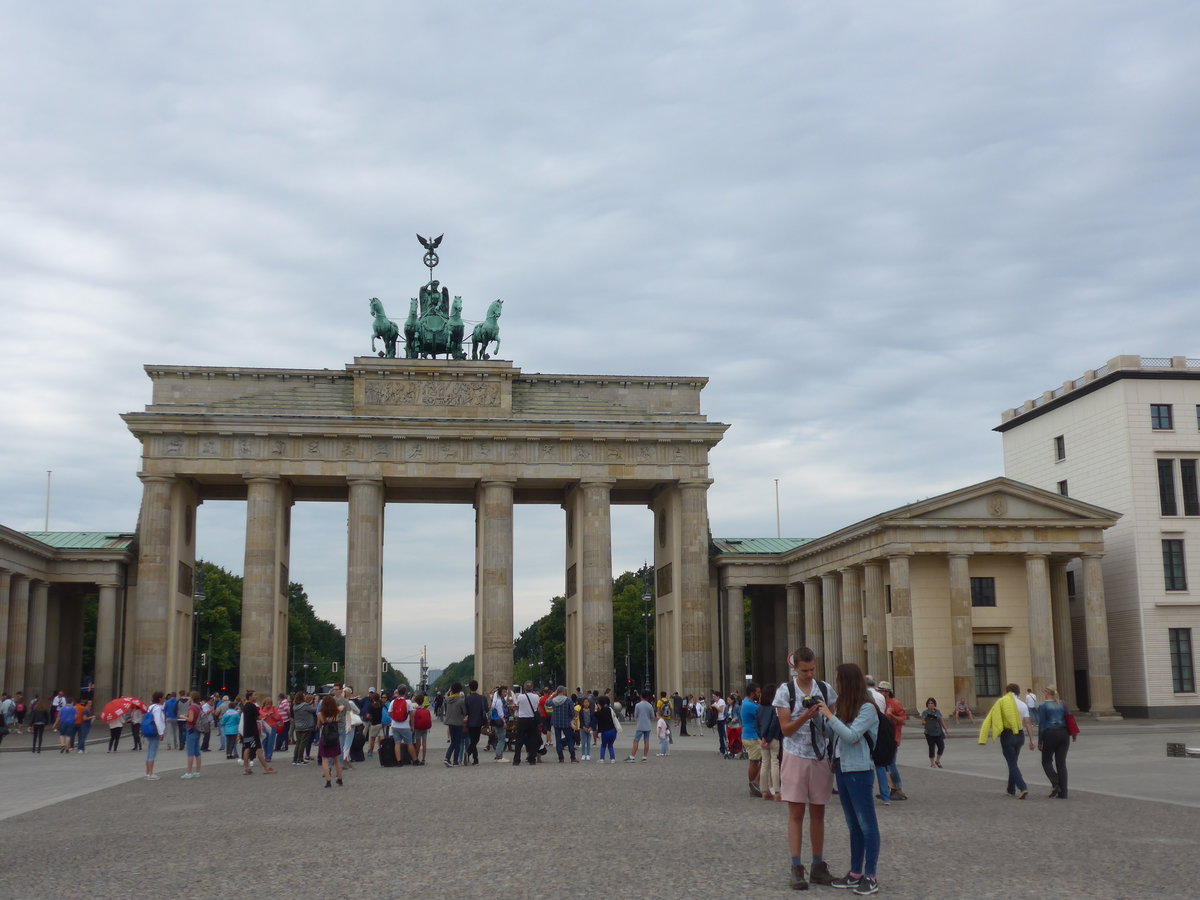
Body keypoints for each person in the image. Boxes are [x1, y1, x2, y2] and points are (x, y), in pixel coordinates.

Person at [816, 663, 882, 896]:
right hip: (843, 769)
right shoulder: (845, 708)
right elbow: (830, 734)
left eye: (839, 681)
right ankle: (855, 873)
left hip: (860, 770)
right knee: (853, 824)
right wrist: (819, 718)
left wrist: (830, 716)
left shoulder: (867, 709)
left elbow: (852, 736)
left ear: (848, 682)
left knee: (867, 824)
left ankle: (870, 875)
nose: (837, 685)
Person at [774, 647, 837, 890]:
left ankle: (818, 865)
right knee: (796, 813)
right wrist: (806, 715)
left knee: (819, 812)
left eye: (812, 669)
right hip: (795, 754)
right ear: (795, 668)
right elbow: (786, 729)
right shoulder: (786, 691)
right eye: (804, 670)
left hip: (820, 755)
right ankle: (796, 866)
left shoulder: (825, 689)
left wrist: (824, 715)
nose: (809, 674)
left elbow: (834, 720)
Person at [979, 682, 1034, 799]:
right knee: (1013, 762)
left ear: (1007, 691)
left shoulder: (1002, 702)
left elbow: (991, 717)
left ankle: (1022, 787)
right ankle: (1010, 789)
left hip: (1008, 735)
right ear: (1018, 692)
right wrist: (1032, 740)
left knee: (1012, 763)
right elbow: (1028, 723)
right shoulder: (1023, 705)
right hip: (1020, 735)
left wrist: (984, 734)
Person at [1036, 685, 1076, 799]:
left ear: (1047, 693)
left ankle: (1056, 782)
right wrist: (1073, 733)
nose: (1044, 694)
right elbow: (1070, 719)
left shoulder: (1043, 707)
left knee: (1046, 761)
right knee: (1061, 763)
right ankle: (1064, 793)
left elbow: (1042, 725)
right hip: (1064, 734)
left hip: (1050, 734)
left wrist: (1040, 741)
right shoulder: (1063, 704)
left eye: (1044, 692)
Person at [877, 681, 907, 801]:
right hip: (885, 737)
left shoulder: (895, 703)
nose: (879, 693)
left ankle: (898, 789)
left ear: (887, 692)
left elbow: (903, 720)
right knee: (885, 765)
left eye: (880, 691)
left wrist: (892, 716)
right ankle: (890, 789)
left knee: (891, 764)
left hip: (893, 738)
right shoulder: (881, 703)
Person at [239, 689, 276, 775]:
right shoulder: (252, 706)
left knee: (247, 748)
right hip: (253, 731)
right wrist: (266, 716)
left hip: (247, 730)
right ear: (250, 697)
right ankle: (266, 768)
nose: (256, 696)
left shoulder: (245, 706)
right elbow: (259, 717)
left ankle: (246, 768)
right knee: (259, 749)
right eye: (255, 695)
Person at [757, 684, 782, 801]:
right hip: (773, 739)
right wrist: (769, 738)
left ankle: (764, 791)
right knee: (775, 763)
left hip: (762, 740)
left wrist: (761, 737)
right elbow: (773, 724)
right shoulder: (774, 709)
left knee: (764, 764)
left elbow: (756, 725)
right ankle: (777, 791)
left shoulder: (759, 708)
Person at [511, 681, 542, 766]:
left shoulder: (520, 697)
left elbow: (516, 706)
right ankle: (532, 759)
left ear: (524, 688)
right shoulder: (536, 697)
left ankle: (517, 759)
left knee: (519, 741)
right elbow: (538, 708)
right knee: (533, 740)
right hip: (532, 720)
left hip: (522, 719)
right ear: (532, 688)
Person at [316, 695, 344, 787]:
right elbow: (342, 706)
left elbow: (319, 726)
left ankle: (328, 781)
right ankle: (339, 779)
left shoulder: (320, 714)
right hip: (334, 737)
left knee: (325, 759)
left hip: (325, 738)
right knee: (336, 759)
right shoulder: (336, 712)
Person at [388, 686, 419, 766]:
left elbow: (389, 713)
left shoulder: (393, 702)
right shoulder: (408, 702)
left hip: (395, 725)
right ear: (405, 692)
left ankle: (399, 761)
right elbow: (412, 715)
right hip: (405, 726)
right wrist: (412, 726)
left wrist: (395, 718)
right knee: (409, 743)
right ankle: (415, 760)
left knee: (397, 743)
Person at [548, 685, 579, 763]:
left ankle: (561, 758)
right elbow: (572, 711)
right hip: (566, 722)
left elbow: (547, 702)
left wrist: (553, 695)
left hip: (556, 722)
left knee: (558, 740)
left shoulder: (554, 700)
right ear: (563, 691)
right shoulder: (568, 700)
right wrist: (571, 719)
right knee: (569, 740)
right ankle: (572, 757)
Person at [741, 682, 762, 796]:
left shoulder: (746, 703)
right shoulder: (751, 705)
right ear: (752, 693)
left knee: (755, 761)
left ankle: (754, 784)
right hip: (752, 736)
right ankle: (753, 784)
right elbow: (762, 712)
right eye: (758, 692)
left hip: (748, 735)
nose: (759, 694)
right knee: (756, 761)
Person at [625, 690, 655, 762]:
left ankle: (632, 756)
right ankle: (644, 757)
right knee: (646, 741)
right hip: (647, 725)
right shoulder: (650, 705)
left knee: (636, 741)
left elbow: (635, 715)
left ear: (641, 696)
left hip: (640, 725)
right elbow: (652, 716)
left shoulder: (638, 705)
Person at [442, 682, 467, 766]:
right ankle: (454, 760)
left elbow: (446, 695)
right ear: (460, 690)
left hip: (450, 722)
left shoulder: (448, 700)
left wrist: (449, 690)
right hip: (458, 722)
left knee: (453, 741)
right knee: (458, 742)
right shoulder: (461, 700)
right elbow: (465, 712)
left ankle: (447, 758)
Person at [143, 691, 166, 780]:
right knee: (153, 751)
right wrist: (161, 733)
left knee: (150, 751)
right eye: (163, 698)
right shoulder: (157, 708)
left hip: (149, 730)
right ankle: (150, 773)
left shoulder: (151, 707)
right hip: (154, 731)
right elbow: (158, 721)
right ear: (160, 699)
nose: (164, 700)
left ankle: (147, 772)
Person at [464, 680, 487, 765]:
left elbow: (465, 711)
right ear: (477, 687)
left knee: (473, 740)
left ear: (470, 688)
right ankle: (473, 757)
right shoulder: (482, 698)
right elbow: (486, 710)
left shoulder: (467, 699)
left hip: (470, 722)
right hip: (479, 721)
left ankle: (471, 755)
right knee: (476, 740)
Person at [920, 698, 947, 767]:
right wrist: (928, 722)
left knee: (941, 746)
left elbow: (941, 720)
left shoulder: (937, 711)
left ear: (934, 704)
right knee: (931, 747)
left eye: (932, 703)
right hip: (929, 733)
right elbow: (922, 721)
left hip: (938, 732)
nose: (930, 704)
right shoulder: (925, 712)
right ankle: (932, 763)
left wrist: (945, 729)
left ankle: (937, 760)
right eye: (929, 703)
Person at [182, 691, 203, 778]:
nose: (189, 698)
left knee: (190, 752)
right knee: (197, 751)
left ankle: (189, 772)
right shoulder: (198, 707)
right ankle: (197, 771)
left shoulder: (191, 707)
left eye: (190, 697)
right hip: (197, 729)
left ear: (192, 698)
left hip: (191, 729)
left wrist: (184, 717)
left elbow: (190, 719)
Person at [291, 692, 315, 765]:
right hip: (306, 726)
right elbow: (314, 711)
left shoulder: (294, 706)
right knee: (303, 743)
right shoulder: (305, 705)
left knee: (298, 743)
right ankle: (300, 759)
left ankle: (295, 759)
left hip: (298, 726)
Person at [595, 695, 619, 763]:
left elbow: (596, 717)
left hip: (605, 732)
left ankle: (602, 759)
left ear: (599, 704)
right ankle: (612, 759)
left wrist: (596, 709)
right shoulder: (609, 709)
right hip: (613, 730)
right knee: (610, 745)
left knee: (603, 745)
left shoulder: (598, 713)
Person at [712, 690, 728, 755]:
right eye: (713, 696)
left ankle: (726, 749)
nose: (713, 698)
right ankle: (722, 749)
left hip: (722, 720)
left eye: (714, 696)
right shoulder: (715, 702)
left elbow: (721, 710)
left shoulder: (721, 701)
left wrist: (715, 706)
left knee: (724, 735)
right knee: (720, 736)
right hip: (718, 720)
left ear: (718, 696)